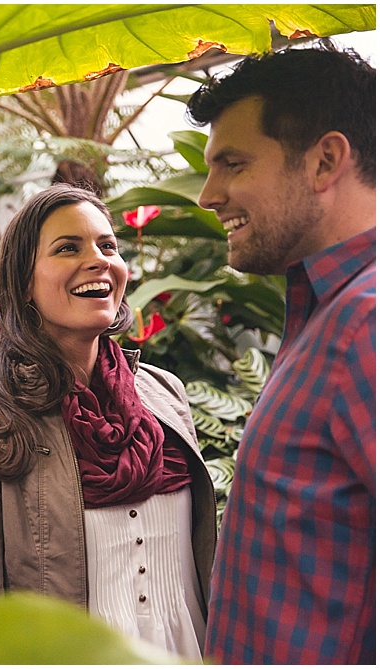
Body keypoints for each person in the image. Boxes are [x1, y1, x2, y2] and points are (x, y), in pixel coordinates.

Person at [0, 184, 217, 659]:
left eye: (108, 246)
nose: (100, 260)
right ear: (23, 282)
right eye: (69, 248)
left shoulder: (165, 395)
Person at [186, 45, 376, 664]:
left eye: (233, 164)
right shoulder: (327, 313)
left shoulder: (366, 320)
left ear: (325, 160)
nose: (208, 195)